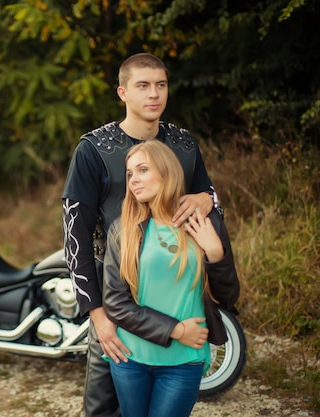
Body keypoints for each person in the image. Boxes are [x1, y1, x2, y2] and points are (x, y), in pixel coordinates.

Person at [62, 52, 221, 416]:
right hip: (116, 298)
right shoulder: (93, 151)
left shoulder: (183, 146)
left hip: (178, 292)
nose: (154, 94)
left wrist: (205, 198)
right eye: (143, 86)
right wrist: (98, 318)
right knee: (103, 409)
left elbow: (213, 208)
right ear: (123, 92)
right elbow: (75, 239)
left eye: (161, 85)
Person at [102, 140, 240, 417]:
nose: (134, 180)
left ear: (166, 172)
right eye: (130, 173)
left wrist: (215, 252)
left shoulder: (205, 222)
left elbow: (228, 297)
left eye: (142, 170)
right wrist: (176, 330)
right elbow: (115, 301)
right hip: (130, 357)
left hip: (183, 360)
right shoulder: (123, 229)